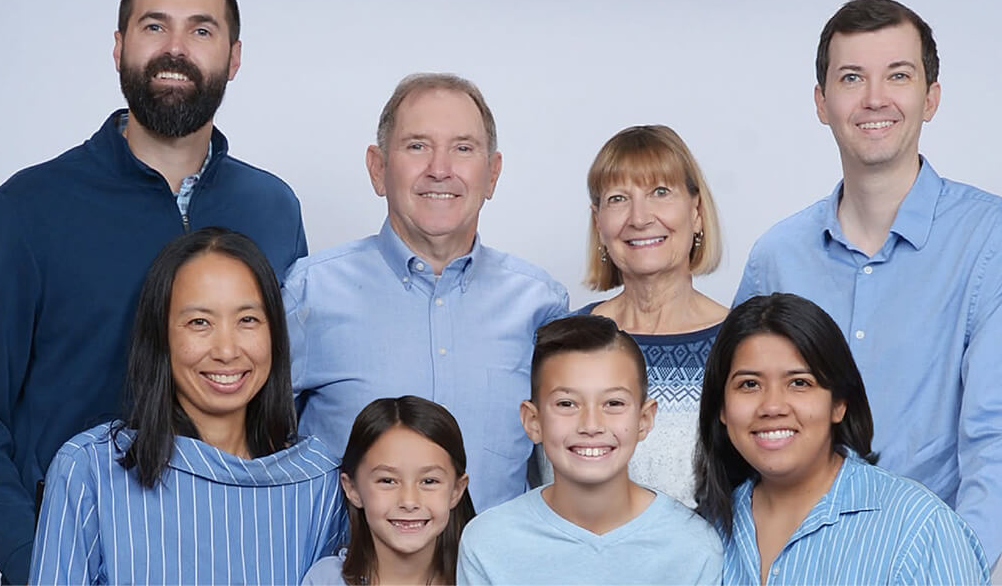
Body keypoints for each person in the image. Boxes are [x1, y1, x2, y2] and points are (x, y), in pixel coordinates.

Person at [0, 0, 308, 583]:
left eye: (202, 29)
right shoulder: (29, 210)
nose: (175, 48)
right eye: (154, 25)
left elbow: (282, 393)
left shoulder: (272, 207)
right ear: (118, 45)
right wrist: (43, 565)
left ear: (234, 57)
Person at [733, 0, 1002, 562]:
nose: (874, 98)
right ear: (822, 103)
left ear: (931, 98)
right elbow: (738, 416)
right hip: (789, 560)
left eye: (897, 75)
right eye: (852, 77)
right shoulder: (776, 256)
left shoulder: (995, 240)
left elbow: (1001, 440)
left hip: (923, 561)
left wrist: (948, 568)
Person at [286, 73, 569, 513]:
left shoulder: (540, 306)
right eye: (417, 145)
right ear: (378, 169)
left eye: (463, 148)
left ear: (492, 174)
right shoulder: (308, 294)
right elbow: (253, 448)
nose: (440, 168)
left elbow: (561, 466)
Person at [30, 228, 343, 585]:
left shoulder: (321, 480)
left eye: (248, 320)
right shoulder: (89, 471)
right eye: (199, 323)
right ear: (160, 337)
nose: (226, 350)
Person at [694, 293, 989, 584]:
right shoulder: (703, 530)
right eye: (749, 384)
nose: (772, 406)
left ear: (839, 403)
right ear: (721, 407)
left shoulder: (917, 528)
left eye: (799, 383)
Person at [457, 315, 722, 585]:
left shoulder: (693, 547)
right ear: (533, 422)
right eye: (567, 404)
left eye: (614, 403)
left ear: (644, 420)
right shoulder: (487, 543)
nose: (591, 425)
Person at [576, 124, 726, 506]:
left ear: (696, 212)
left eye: (660, 192)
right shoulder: (567, 342)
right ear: (599, 223)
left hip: (709, 565)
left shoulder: (740, 344)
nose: (640, 218)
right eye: (618, 198)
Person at [302, 396, 476, 585]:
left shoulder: (481, 578)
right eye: (388, 480)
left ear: (456, 491)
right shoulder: (326, 579)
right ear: (352, 488)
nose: (409, 501)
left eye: (429, 481)